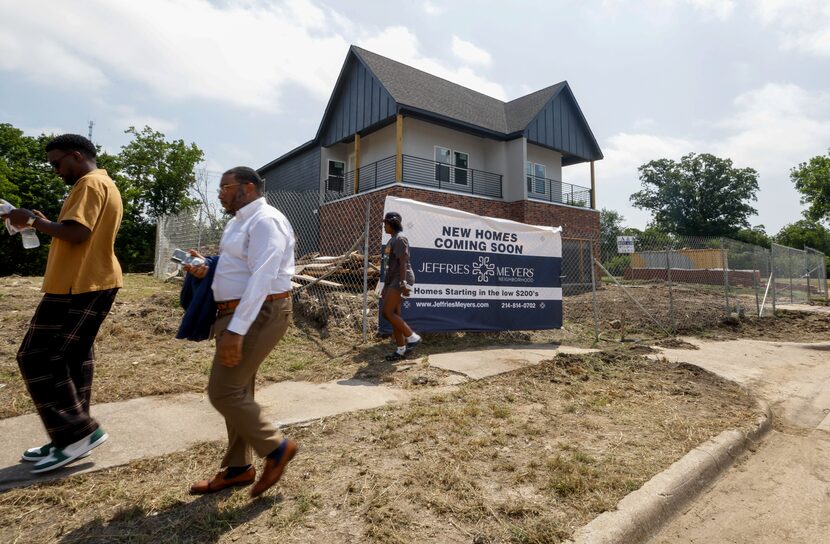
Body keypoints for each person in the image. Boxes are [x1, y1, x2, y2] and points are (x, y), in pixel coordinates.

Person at [1, 134, 122, 474]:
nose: (55, 170)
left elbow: (77, 233)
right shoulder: (100, 183)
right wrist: (39, 219)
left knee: (36, 355)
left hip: (79, 284)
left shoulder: (89, 184)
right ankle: (69, 438)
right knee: (71, 358)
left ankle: (78, 433)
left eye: (57, 163)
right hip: (87, 281)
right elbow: (71, 230)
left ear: (76, 155)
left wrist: (31, 221)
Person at [185, 166, 298, 498]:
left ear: (247, 188)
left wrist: (236, 329)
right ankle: (238, 468)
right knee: (238, 392)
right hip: (234, 313)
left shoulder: (266, 220)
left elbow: (263, 277)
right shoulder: (238, 223)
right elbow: (237, 265)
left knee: (223, 392)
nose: (219, 193)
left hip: (257, 313)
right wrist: (208, 268)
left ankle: (276, 448)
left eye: (224, 186)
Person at [380, 211, 421, 361]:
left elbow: (403, 263)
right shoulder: (392, 241)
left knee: (387, 312)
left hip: (401, 278)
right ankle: (400, 350)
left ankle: (413, 337)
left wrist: (403, 283)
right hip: (393, 280)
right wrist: (385, 286)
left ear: (393, 223)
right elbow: (389, 266)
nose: (384, 226)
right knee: (394, 314)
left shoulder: (400, 239)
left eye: (386, 223)